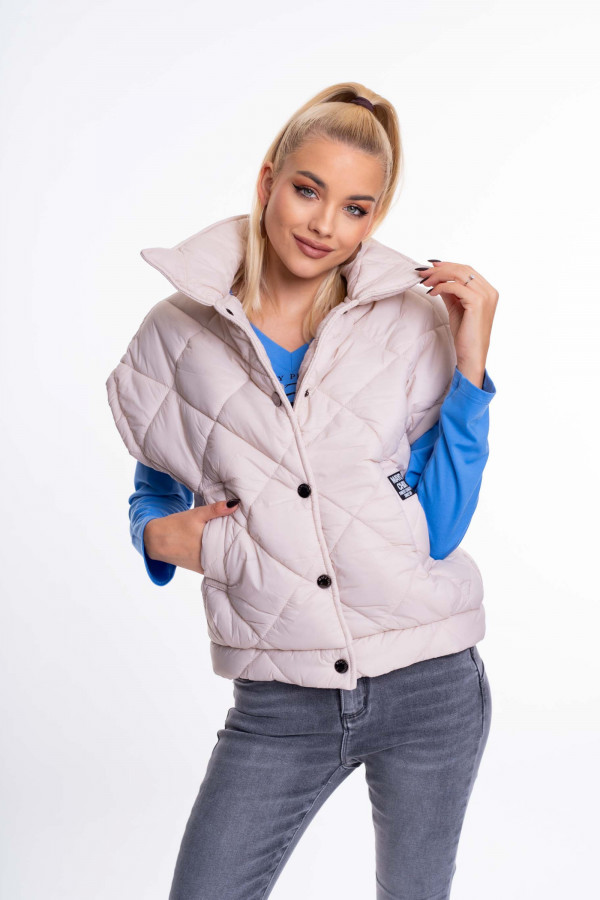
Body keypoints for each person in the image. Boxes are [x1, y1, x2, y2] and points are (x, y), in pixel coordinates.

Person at [106, 82, 499, 900]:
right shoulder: (174, 334)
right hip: (280, 704)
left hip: (431, 685)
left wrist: (469, 369)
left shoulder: (407, 322)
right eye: (308, 191)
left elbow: (437, 530)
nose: (325, 226)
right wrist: (155, 534)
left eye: (356, 209)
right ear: (268, 181)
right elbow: (157, 474)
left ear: (375, 219)